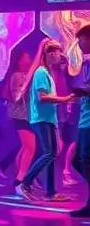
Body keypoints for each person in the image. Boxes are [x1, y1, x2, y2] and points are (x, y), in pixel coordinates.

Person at [15, 39, 75, 203]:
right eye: (57, 51)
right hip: (42, 118)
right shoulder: (41, 72)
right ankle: (24, 182)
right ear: (50, 54)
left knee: (52, 153)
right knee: (50, 153)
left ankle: (50, 192)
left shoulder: (48, 72)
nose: (60, 55)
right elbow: (42, 97)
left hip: (48, 118)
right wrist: (64, 100)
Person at [0, 50, 36, 185]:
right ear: (19, 61)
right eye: (27, 57)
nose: (29, 60)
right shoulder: (17, 76)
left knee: (25, 147)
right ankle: (20, 180)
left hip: (27, 116)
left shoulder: (25, 75)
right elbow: (18, 96)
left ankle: (21, 176)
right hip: (20, 116)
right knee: (29, 147)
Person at [70, 25, 90, 218]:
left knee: (84, 159)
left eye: (81, 40)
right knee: (79, 160)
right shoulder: (86, 64)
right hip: (84, 119)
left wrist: (83, 91)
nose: (79, 44)